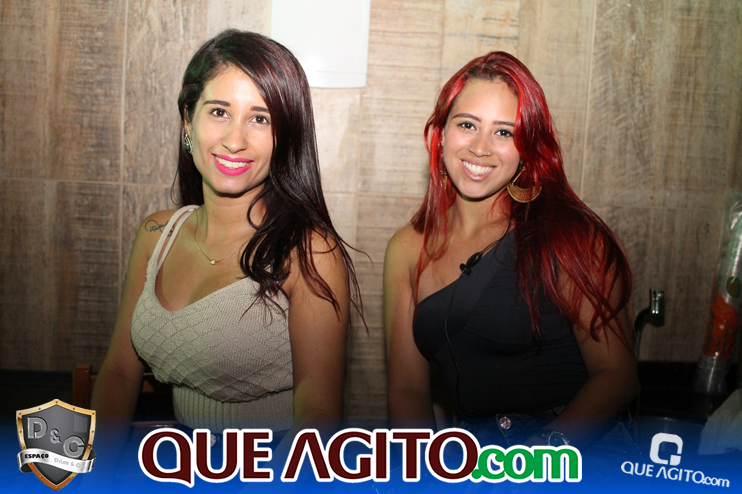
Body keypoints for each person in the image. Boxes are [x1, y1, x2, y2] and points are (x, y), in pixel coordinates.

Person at [91, 30, 358, 449]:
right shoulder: (156, 235)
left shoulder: (309, 252)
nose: (235, 140)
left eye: (260, 118)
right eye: (219, 112)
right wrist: (95, 475)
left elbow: (318, 414)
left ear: (284, 137)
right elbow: (120, 373)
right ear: (187, 121)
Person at [384, 51, 638, 452]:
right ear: (442, 133)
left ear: (527, 147)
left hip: (576, 457)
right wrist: (423, 472)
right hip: (474, 461)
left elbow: (617, 378)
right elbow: (407, 391)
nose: (481, 148)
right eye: (467, 125)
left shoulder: (569, 236)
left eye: (504, 132)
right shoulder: (407, 248)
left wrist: (537, 457)